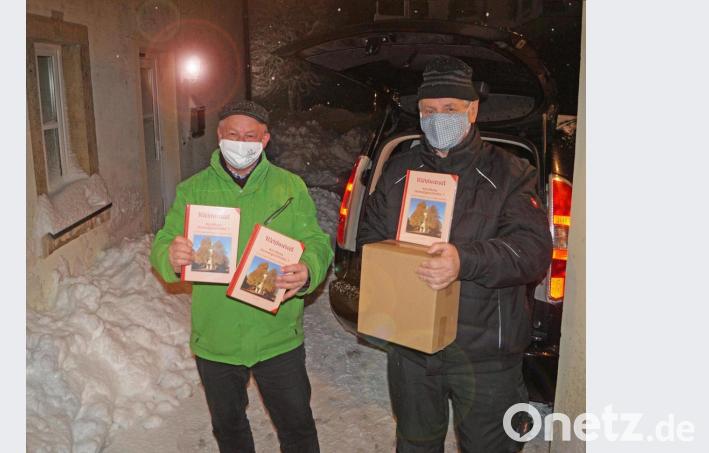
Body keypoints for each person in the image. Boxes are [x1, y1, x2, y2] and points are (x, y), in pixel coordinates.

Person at [357, 56, 553, 452]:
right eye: (429, 110)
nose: (437, 118)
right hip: (412, 350)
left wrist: (465, 260)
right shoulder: (399, 170)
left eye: (450, 109)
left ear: (473, 110)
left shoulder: (510, 173)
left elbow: (532, 251)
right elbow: (368, 237)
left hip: (485, 355)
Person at [150, 100, 333, 453]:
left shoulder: (290, 187)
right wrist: (169, 256)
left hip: (277, 334)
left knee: (297, 428)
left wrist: (309, 267)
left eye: (250, 135)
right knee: (229, 430)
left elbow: (317, 241)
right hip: (217, 336)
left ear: (265, 140)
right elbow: (163, 242)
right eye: (233, 134)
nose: (241, 142)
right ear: (219, 136)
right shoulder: (193, 190)